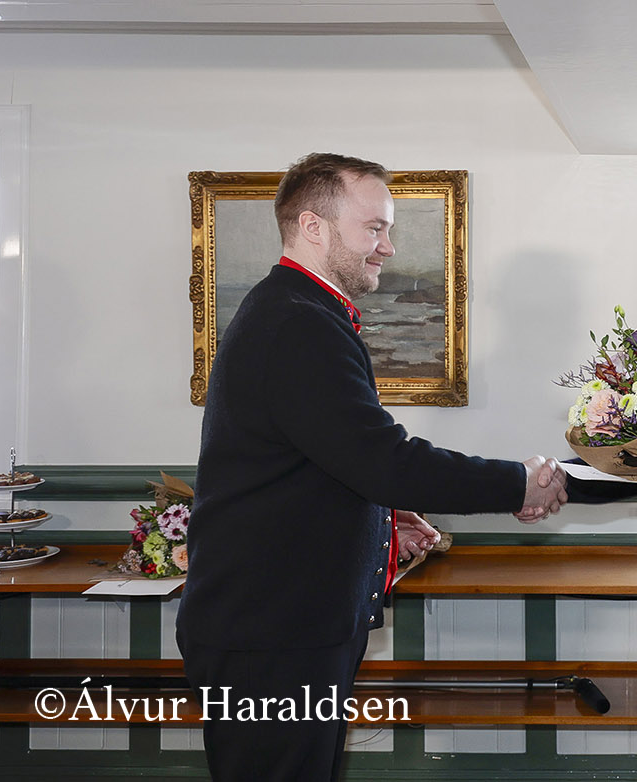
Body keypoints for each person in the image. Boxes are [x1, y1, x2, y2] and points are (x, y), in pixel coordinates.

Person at [176, 152, 567, 782]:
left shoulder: (295, 309)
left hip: (279, 622)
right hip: (272, 632)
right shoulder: (298, 323)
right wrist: (518, 482)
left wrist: (382, 516)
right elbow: (383, 459)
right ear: (313, 227)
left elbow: (325, 461)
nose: (388, 246)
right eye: (374, 228)